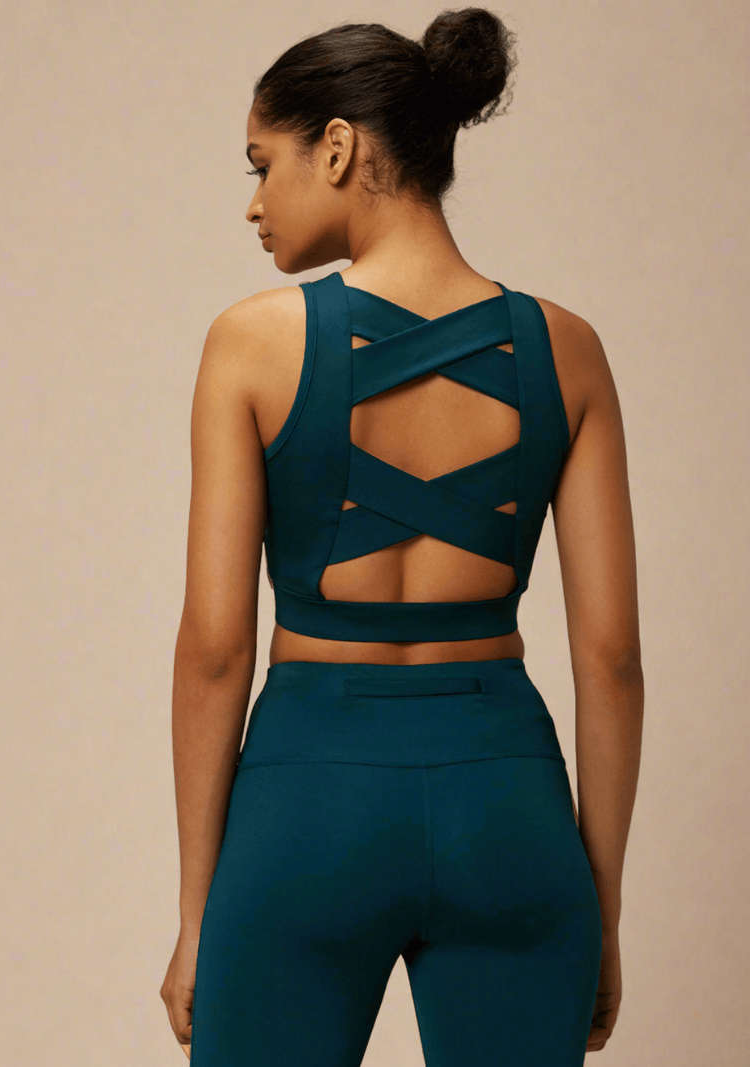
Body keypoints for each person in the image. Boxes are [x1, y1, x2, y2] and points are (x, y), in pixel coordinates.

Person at [160, 8, 643, 1065]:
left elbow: (215, 649)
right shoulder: (569, 350)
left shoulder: (251, 343)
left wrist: (199, 915)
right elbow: (609, 658)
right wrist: (598, 907)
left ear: (335, 147)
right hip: (506, 803)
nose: (253, 203)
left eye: (263, 164)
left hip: (306, 802)